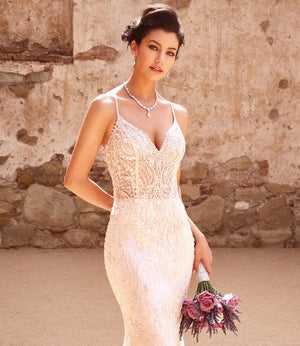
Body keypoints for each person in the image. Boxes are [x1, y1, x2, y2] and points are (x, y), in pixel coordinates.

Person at [64, 3, 212, 345]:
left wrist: (197, 236)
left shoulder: (179, 115)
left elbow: (170, 188)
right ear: (134, 46)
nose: (161, 59)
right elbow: (74, 179)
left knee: (167, 335)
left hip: (174, 245)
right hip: (129, 242)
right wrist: (123, 205)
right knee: (152, 332)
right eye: (153, 47)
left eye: (170, 53)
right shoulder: (106, 107)